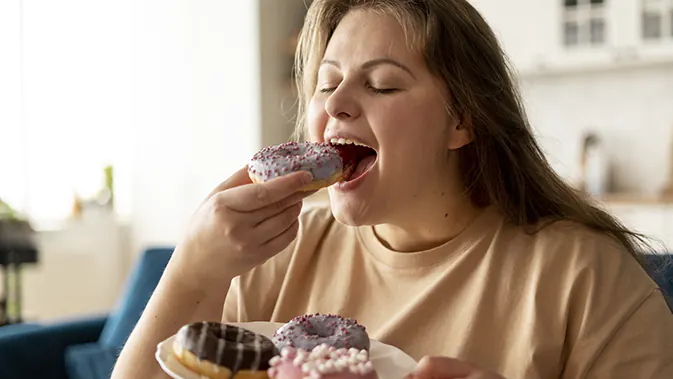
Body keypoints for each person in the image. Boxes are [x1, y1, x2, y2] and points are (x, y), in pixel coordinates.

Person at [112, 1, 673, 378]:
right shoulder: (274, 253)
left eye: (381, 84)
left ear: (462, 119)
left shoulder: (585, 278)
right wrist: (192, 268)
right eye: (327, 83)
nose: (334, 104)